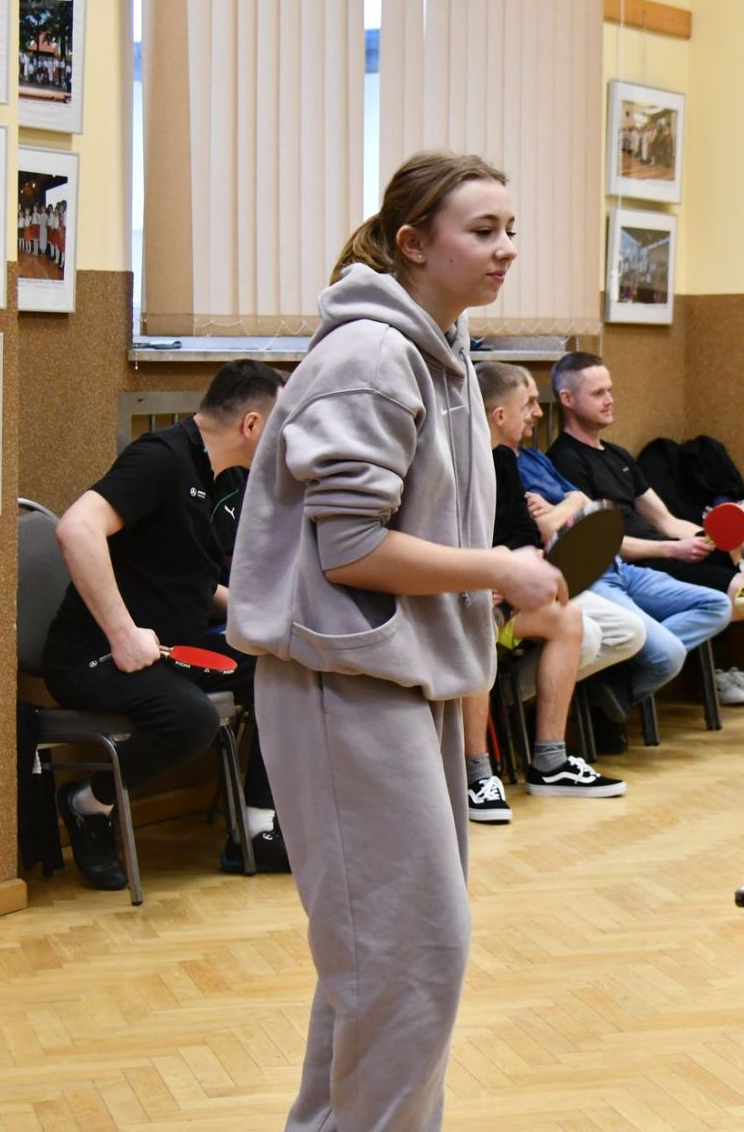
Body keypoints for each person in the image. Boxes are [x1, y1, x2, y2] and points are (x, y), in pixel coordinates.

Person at [226, 151, 566, 1131]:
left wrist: (487, 573)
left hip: (401, 681)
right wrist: (496, 568)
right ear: (414, 243)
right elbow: (353, 549)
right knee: (408, 957)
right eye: (482, 230)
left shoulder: (444, 352)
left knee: (383, 961)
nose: (506, 248)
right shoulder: (372, 357)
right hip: (338, 686)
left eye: (511, 229)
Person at [43, 359, 289, 888]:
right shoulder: (160, 458)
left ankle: (257, 826)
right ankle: (88, 803)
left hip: (173, 649)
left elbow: (190, 583)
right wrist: (122, 633)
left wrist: (262, 614)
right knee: (192, 720)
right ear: (252, 425)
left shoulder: (224, 477)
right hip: (93, 654)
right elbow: (77, 529)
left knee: (285, 669)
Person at [548, 352, 744, 751]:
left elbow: (665, 519)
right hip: (645, 565)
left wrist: (708, 533)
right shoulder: (565, 460)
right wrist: (673, 549)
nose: (610, 399)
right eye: (598, 393)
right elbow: (597, 541)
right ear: (568, 399)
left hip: (674, 551)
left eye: (610, 390)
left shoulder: (618, 455)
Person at [459, 362, 643, 823]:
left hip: (501, 593)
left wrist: (514, 567)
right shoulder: (458, 465)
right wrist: (487, 573)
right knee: (478, 621)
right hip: (461, 598)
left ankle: (550, 761)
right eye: (527, 405)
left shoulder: (506, 462)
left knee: (568, 618)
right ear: (499, 415)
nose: (536, 414)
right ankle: (475, 774)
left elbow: (523, 532)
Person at [512, 420, 732, 753]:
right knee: (667, 655)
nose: (536, 413)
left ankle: (609, 682)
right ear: (568, 399)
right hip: (588, 575)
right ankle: (611, 685)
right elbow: (553, 526)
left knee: (718, 604)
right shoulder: (559, 457)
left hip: (623, 568)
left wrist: (570, 505)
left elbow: (591, 508)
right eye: (598, 394)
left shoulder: (542, 457)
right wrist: (572, 503)